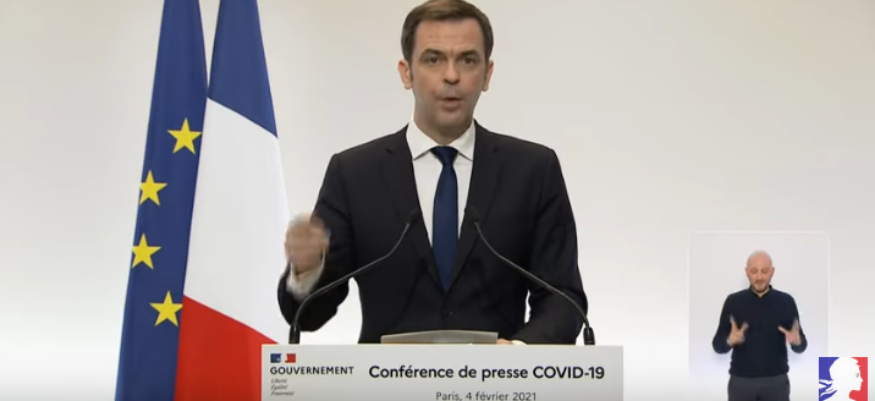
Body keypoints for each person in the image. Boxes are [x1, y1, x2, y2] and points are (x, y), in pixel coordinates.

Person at [276, 0, 587, 345]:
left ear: (487, 74)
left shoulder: (533, 171)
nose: (451, 75)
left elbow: (563, 300)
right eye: (433, 59)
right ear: (406, 72)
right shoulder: (353, 174)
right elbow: (309, 316)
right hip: (385, 377)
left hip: (498, 377)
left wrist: (517, 353)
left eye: (467, 60)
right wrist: (307, 271)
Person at [712, 250, 808, 401]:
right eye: (754, 271)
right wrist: (729, 341)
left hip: (776, 383)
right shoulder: (733, 301)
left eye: (764, 271)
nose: (759, 277)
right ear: (746, 272)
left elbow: (801, 347)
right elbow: (717, 346)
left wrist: (797, 341)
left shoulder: (786, 301)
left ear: (772, 272)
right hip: (741, 383)